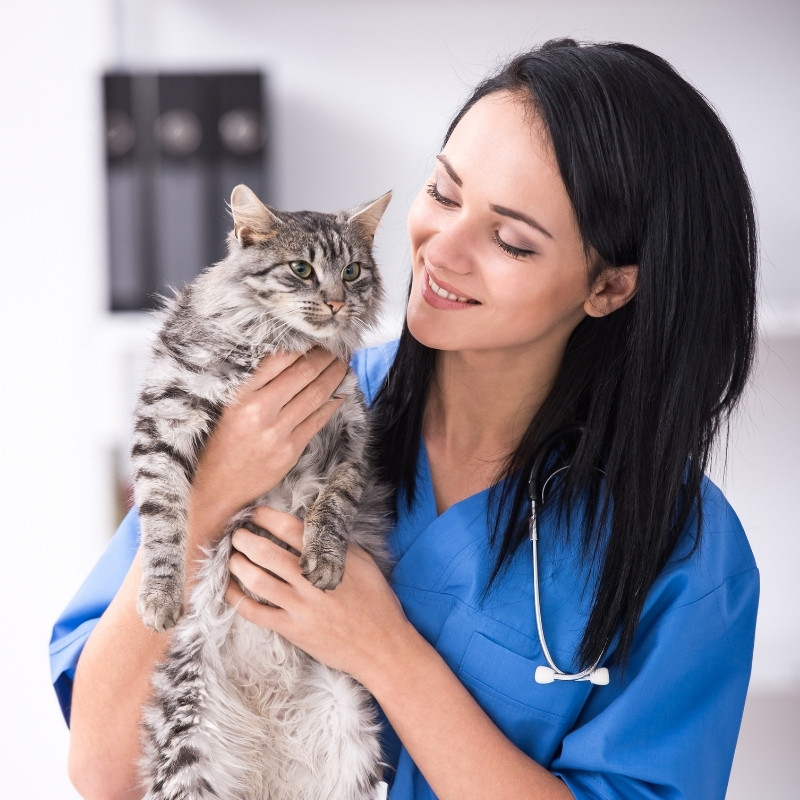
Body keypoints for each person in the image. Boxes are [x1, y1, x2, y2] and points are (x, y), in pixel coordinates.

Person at [51, 38, 759, 800]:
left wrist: (386, 652)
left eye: (511, 241)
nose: (440, 251)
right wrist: (208, 498)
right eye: (446, 194)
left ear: (610, 288)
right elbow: (102, 770)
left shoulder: (684, 551)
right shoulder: (275, 403)